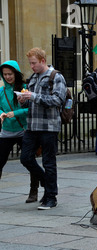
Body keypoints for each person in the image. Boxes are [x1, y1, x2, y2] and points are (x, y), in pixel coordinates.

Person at [18, 48, 67, 210]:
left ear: (42, 61)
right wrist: (22, 99)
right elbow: (29, 100)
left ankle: (51, 197)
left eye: (34, 63)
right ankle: (48, 183)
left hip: (49, 126)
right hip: (32, 125)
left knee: (49, 162)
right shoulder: (33, 77)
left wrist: (34, 97)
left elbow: (58, 100)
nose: (31, 66)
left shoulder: (56, 77)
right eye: (30, 63)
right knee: (25, 158)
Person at [0, 61, 39, 203]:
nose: (8, 77)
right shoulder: (2, 91)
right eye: (5, 74)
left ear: (16, 73)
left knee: (29, 160)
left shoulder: (24, 88)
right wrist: (1, 114)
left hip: (23, 130)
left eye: (10, 74)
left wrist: (15, 113)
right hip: (6, 131)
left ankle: (33, 191)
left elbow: (31, 109)